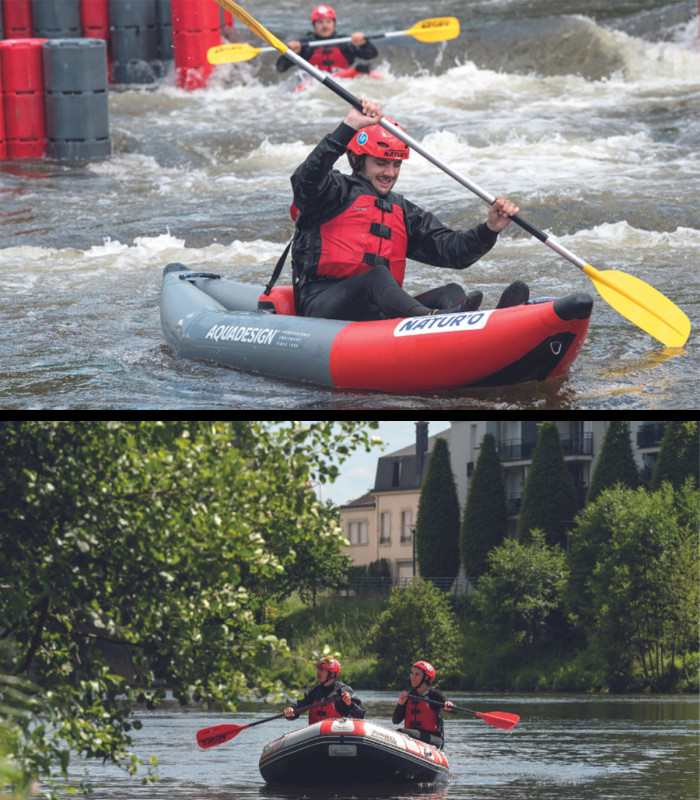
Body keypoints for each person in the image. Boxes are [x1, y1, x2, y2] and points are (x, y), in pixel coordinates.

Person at [288, 97, 530, 321]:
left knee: (452, 291)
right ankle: (433, 321)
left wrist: (489, 229)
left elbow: (451, 251)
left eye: (396, 165)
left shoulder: (401, 210)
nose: (389, 173)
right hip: (322, 304)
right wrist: (349, 126)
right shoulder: (331, 191)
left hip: (375, 311)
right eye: (380, 163)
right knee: (377, 276)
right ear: (356, 160)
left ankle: (478, 325)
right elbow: (304, 180)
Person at [276, 5, 378, 75]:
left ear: (334, 23)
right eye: (320, 22)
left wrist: (364, 43)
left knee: (363, 67)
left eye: (328, 21)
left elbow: (372, 55)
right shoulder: (304, 45)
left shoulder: (344, 42)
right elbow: (280, 68)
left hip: (343, 81)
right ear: (314, 25)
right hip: (313, 85)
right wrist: (289, 53)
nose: (325, 26)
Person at [284, 657, 366, 724]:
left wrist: (350, 704)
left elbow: (361, 715)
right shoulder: (313, 693)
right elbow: (297, 708)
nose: (318, 672)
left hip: (339, 735)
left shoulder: (343, 690)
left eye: (322, 670)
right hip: (315, 736)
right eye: (318, 669)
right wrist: (290, 712)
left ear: (332, 674)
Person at [392, 661, 453, 748]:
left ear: (426, 677)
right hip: (412, 737)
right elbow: (395, 721)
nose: (413, 677)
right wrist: (400, 704)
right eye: (412, 674)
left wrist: (448, 705)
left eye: (417, 674)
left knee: (401, 732)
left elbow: (452, 709)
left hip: (433, 738)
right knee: (400, 733)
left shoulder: (434, 695)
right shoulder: (408, 696)